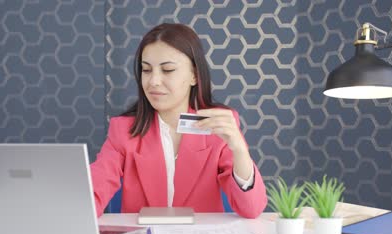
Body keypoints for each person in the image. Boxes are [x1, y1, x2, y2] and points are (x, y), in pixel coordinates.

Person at [90, 23, 267, 218]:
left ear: (194, 76)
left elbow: (251, 209)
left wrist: (240, 150)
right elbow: (94, 194)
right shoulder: (123, 129)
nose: (153, 81)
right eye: (146, 70)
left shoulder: (218, 126)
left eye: (167, 70)